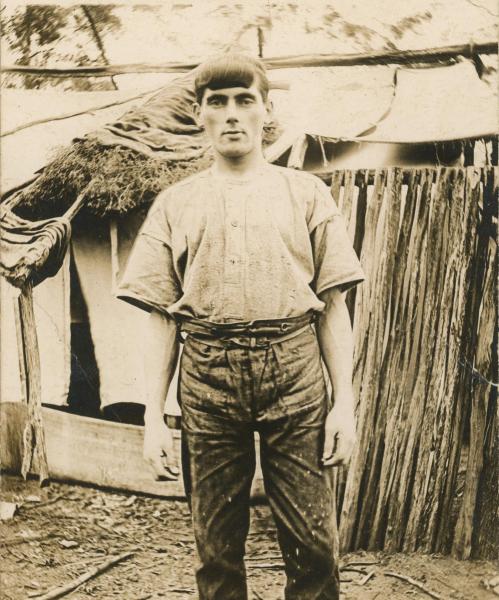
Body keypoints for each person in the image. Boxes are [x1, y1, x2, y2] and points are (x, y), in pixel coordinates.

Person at [117, 53, 365, 600]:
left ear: (266, 111)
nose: (232, 115)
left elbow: (334, 306)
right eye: (218, 103)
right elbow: (161, 317)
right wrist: (154, 418)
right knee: (217, 551)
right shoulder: (175, 204)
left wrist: (342, 403)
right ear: (199, 115)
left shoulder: (306, 194)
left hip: (294, 374)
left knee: (315, 547)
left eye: (245, 101)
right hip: (206, 378)